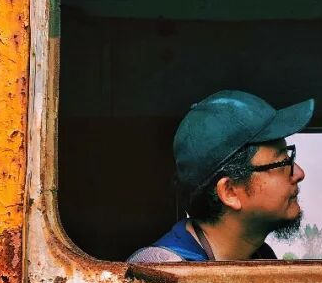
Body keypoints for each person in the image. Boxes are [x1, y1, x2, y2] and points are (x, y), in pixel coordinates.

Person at [128, 90, 312, 262]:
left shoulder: (261, 256)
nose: (299, 173)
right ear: (230, 191)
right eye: (282, 162)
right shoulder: (163, 271)